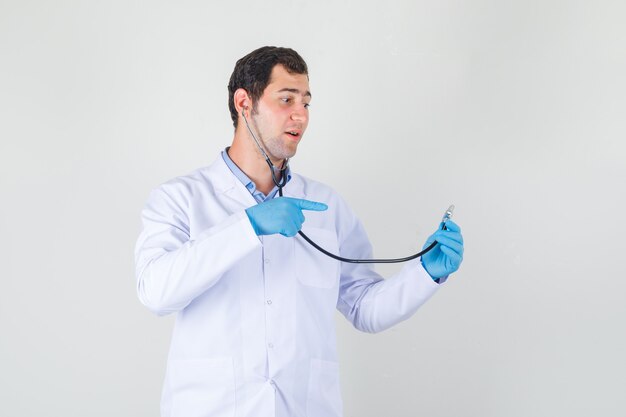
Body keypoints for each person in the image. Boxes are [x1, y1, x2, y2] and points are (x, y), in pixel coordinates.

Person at [134, 46, 464, 417]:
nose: (300, 116)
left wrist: (424, 274)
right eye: (286, 99)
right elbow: (156, 292)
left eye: (306, 103)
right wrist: (248, 225)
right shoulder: (181, 198)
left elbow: (364, 308)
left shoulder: (326, 205)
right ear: (244, 103)